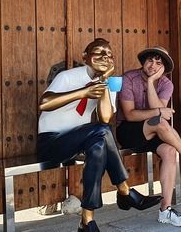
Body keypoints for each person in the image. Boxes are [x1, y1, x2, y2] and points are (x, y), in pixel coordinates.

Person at [37, 38, 162, 232]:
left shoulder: (110, 82)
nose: (105, 57)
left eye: (109, 54)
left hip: (80, 143)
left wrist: (104, 81)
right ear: (85, 57)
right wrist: (83, 92)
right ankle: (124, 190)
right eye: (98, 52)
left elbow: (104, 119)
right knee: (101, 136)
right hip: (52, 143)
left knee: (98, 144)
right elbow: (44, 102)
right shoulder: (68, 77)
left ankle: (87, 219)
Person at [116, 46, 181, 227]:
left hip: (153, 133)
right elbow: (129, 114)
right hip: (128, 132)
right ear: (143, 62)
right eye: (150, 61)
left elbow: (157, 113)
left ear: (163, 68)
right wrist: (160, 111)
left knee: (169, 151)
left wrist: (152, 82)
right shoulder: (128, 78)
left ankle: (165, 210)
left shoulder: (166, 84)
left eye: (158, 63)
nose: (153, 65)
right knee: (160, 122)